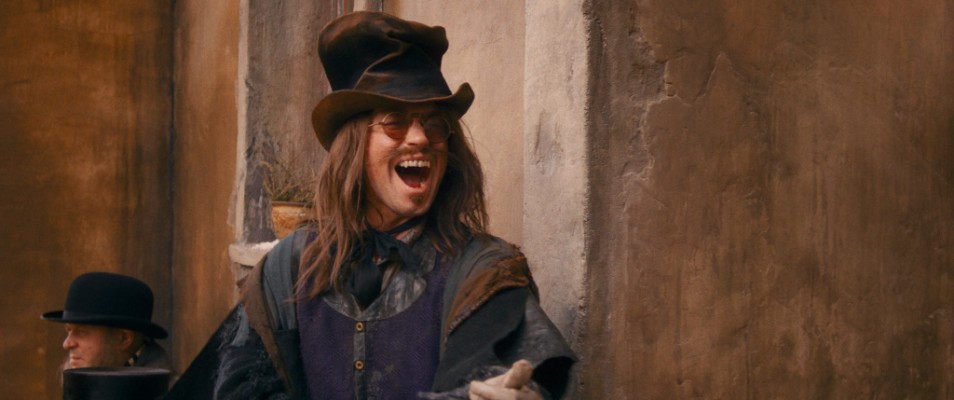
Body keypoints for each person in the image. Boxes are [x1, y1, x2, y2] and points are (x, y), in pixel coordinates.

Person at [195, 11, 574, 400]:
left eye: (434, 124)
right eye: (395, 122)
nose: (420, 138)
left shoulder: (484, 272)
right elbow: (236, 386)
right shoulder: (289, 266)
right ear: (354, 147)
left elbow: (498, 379)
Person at [41, 272, 173, 372]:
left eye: (82, 332)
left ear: (123, 338)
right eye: (69, 330)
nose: (66, 344)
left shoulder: (165, 393)